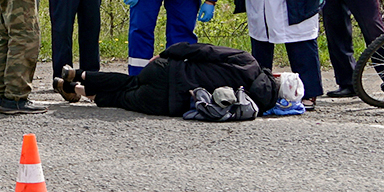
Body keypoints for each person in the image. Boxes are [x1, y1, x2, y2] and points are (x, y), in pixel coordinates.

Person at [57, 42, 280, 117]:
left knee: (129, 81)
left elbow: (203, 50)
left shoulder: (247, 60)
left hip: (169, 71)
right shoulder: (248, 104)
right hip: (168, 104)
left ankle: (78, 74)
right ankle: (76, 90)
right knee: (121, 97)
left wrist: (166, 53)